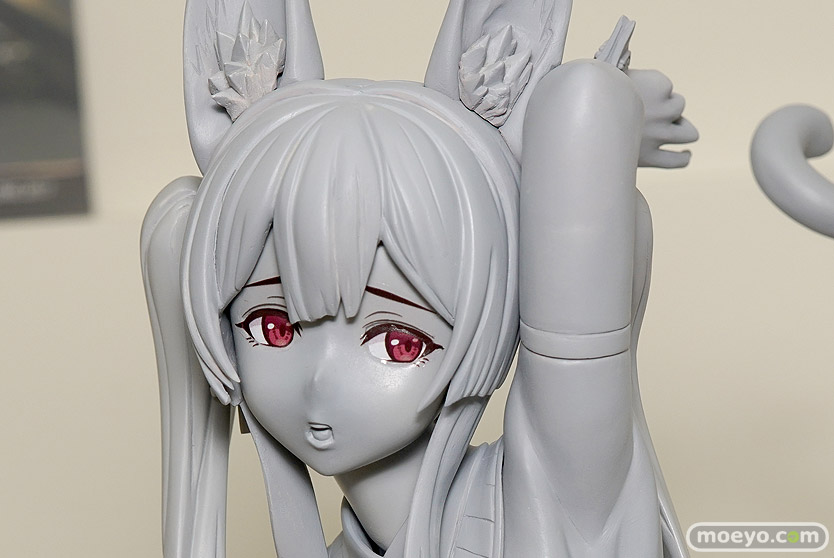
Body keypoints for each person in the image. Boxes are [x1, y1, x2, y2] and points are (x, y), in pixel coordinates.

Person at [141, 2, 697, 557]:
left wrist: (597, 136)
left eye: (399, 342)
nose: (319, 385)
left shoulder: (544, 502)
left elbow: (581, 100)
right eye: (273, 327)